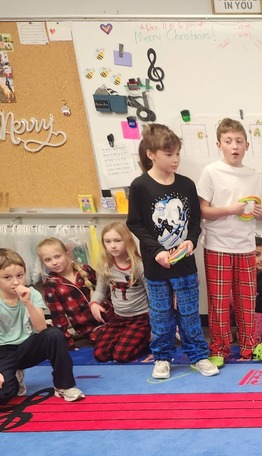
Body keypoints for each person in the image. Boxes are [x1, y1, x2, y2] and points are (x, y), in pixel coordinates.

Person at [126, 123, 218, 380]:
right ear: (151, 154)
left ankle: (199, 354)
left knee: (189, 314)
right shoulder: (140, 186)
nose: (175, 159)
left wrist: (190, 241)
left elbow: (195, 222)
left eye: (177, 153)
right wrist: (156, 251)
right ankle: (163, 357)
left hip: (185, 265)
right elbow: (134, 223)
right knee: (161, 314)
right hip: (156, 267)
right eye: (169, 154)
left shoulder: (187, 185)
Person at [197, 117, 262, 368]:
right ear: (219, 144)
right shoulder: (211, 172)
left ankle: (249, 346)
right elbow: (203, 211)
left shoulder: (254, 176)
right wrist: (231, 209)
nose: (234, 146)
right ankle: (219, 348)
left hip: (245, 246)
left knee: (247, 300)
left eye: (239, 141)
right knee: (218, 302)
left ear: (247, 145)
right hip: (218, 245)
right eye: (229, 141)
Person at [0, 248, 84, 404]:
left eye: (20, 276)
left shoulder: (32, 294)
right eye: (7, 277)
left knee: (54, 334)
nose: (16, 282)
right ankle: (13, 377)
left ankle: (64, 386)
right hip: (2, 352)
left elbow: (41, 328)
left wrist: (27, 302)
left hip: (27, 347)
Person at [89, 221, 151, 363]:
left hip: (140, 319)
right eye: (108, 241)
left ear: (128, 241)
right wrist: (94, 303)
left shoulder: (139, 266)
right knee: (100, 354)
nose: (113, 246)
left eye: (117, 240)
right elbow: (100, 290)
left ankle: (146, 338)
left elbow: (152, 296)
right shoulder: (105, 265)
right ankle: (124, 336)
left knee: (120, 356)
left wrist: (155, 325)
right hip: (118, 319)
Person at [38, 237, 100, 349]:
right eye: (48, 260)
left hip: (110, 319)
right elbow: (59, 318)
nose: (54, 262)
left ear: (67, 253)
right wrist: (68, 344)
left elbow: (106, 292)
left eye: (57, 256)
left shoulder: (85, 270)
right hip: (89, 331)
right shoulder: (51, 284)